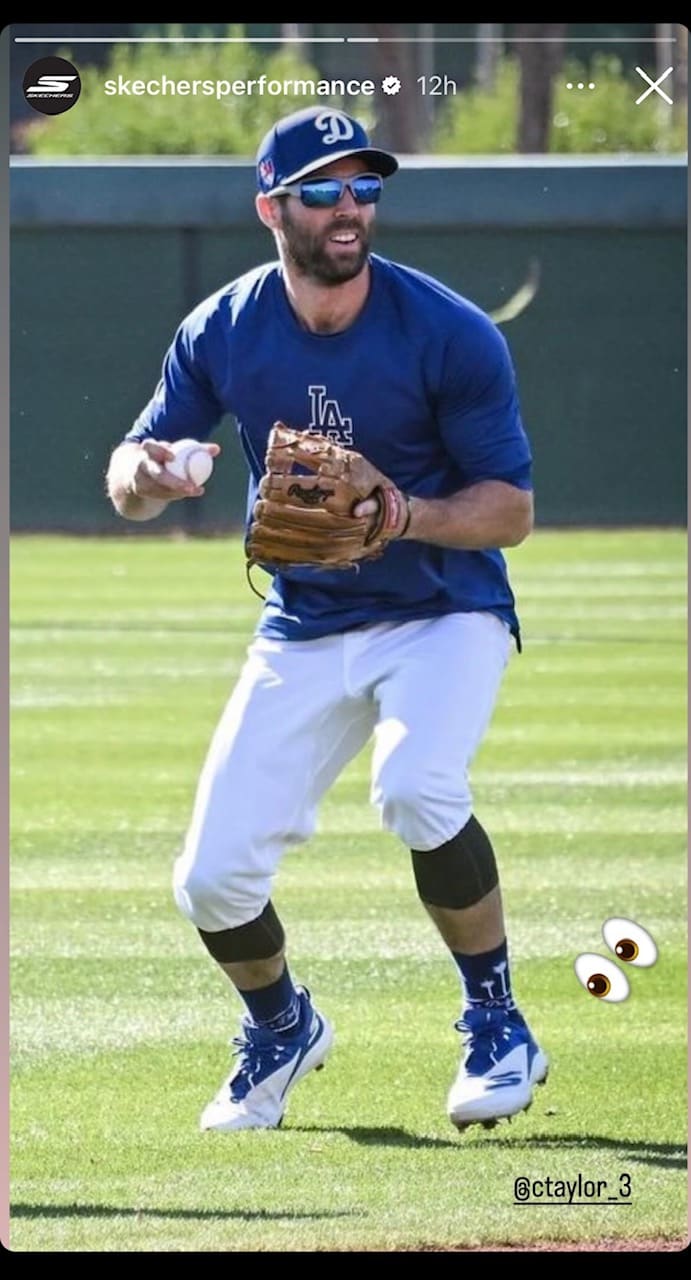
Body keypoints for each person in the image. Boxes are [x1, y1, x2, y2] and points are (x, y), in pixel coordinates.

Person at [106, 105, 547, 1134]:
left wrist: (402, 513)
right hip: (304, 620)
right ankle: (281, 1024)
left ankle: (497, 1019)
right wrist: (152, 473)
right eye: (321, 189)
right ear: (272, 206)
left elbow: (511, 510)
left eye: (364, 187)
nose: (348, 207)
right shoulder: (221, 327)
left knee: (416, 785)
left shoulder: (447, 330)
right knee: (208, 878)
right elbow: (133, 467)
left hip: (442, 607)